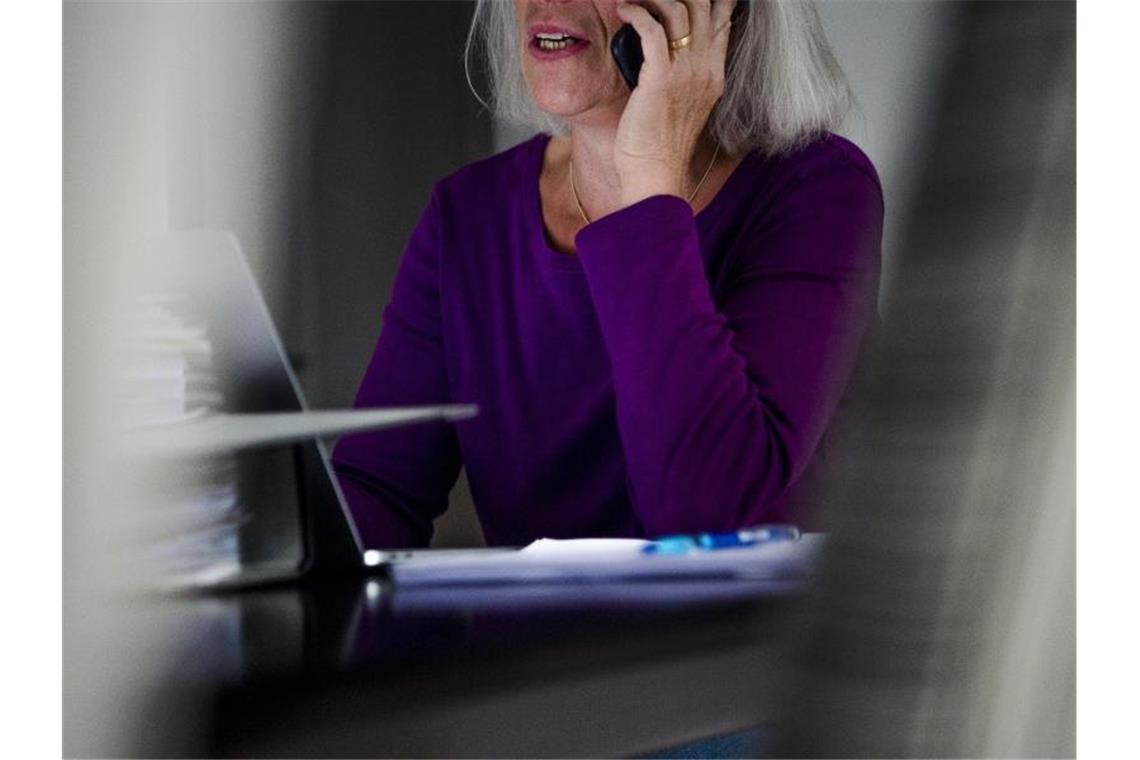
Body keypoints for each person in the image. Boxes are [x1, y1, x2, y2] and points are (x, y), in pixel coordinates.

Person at [331, 0, 883, 548]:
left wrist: (648, 180)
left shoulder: (817, 187)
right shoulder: (468, 213)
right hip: (535, 638)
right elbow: (374, 492)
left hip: (729, 635)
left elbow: (707, 516)